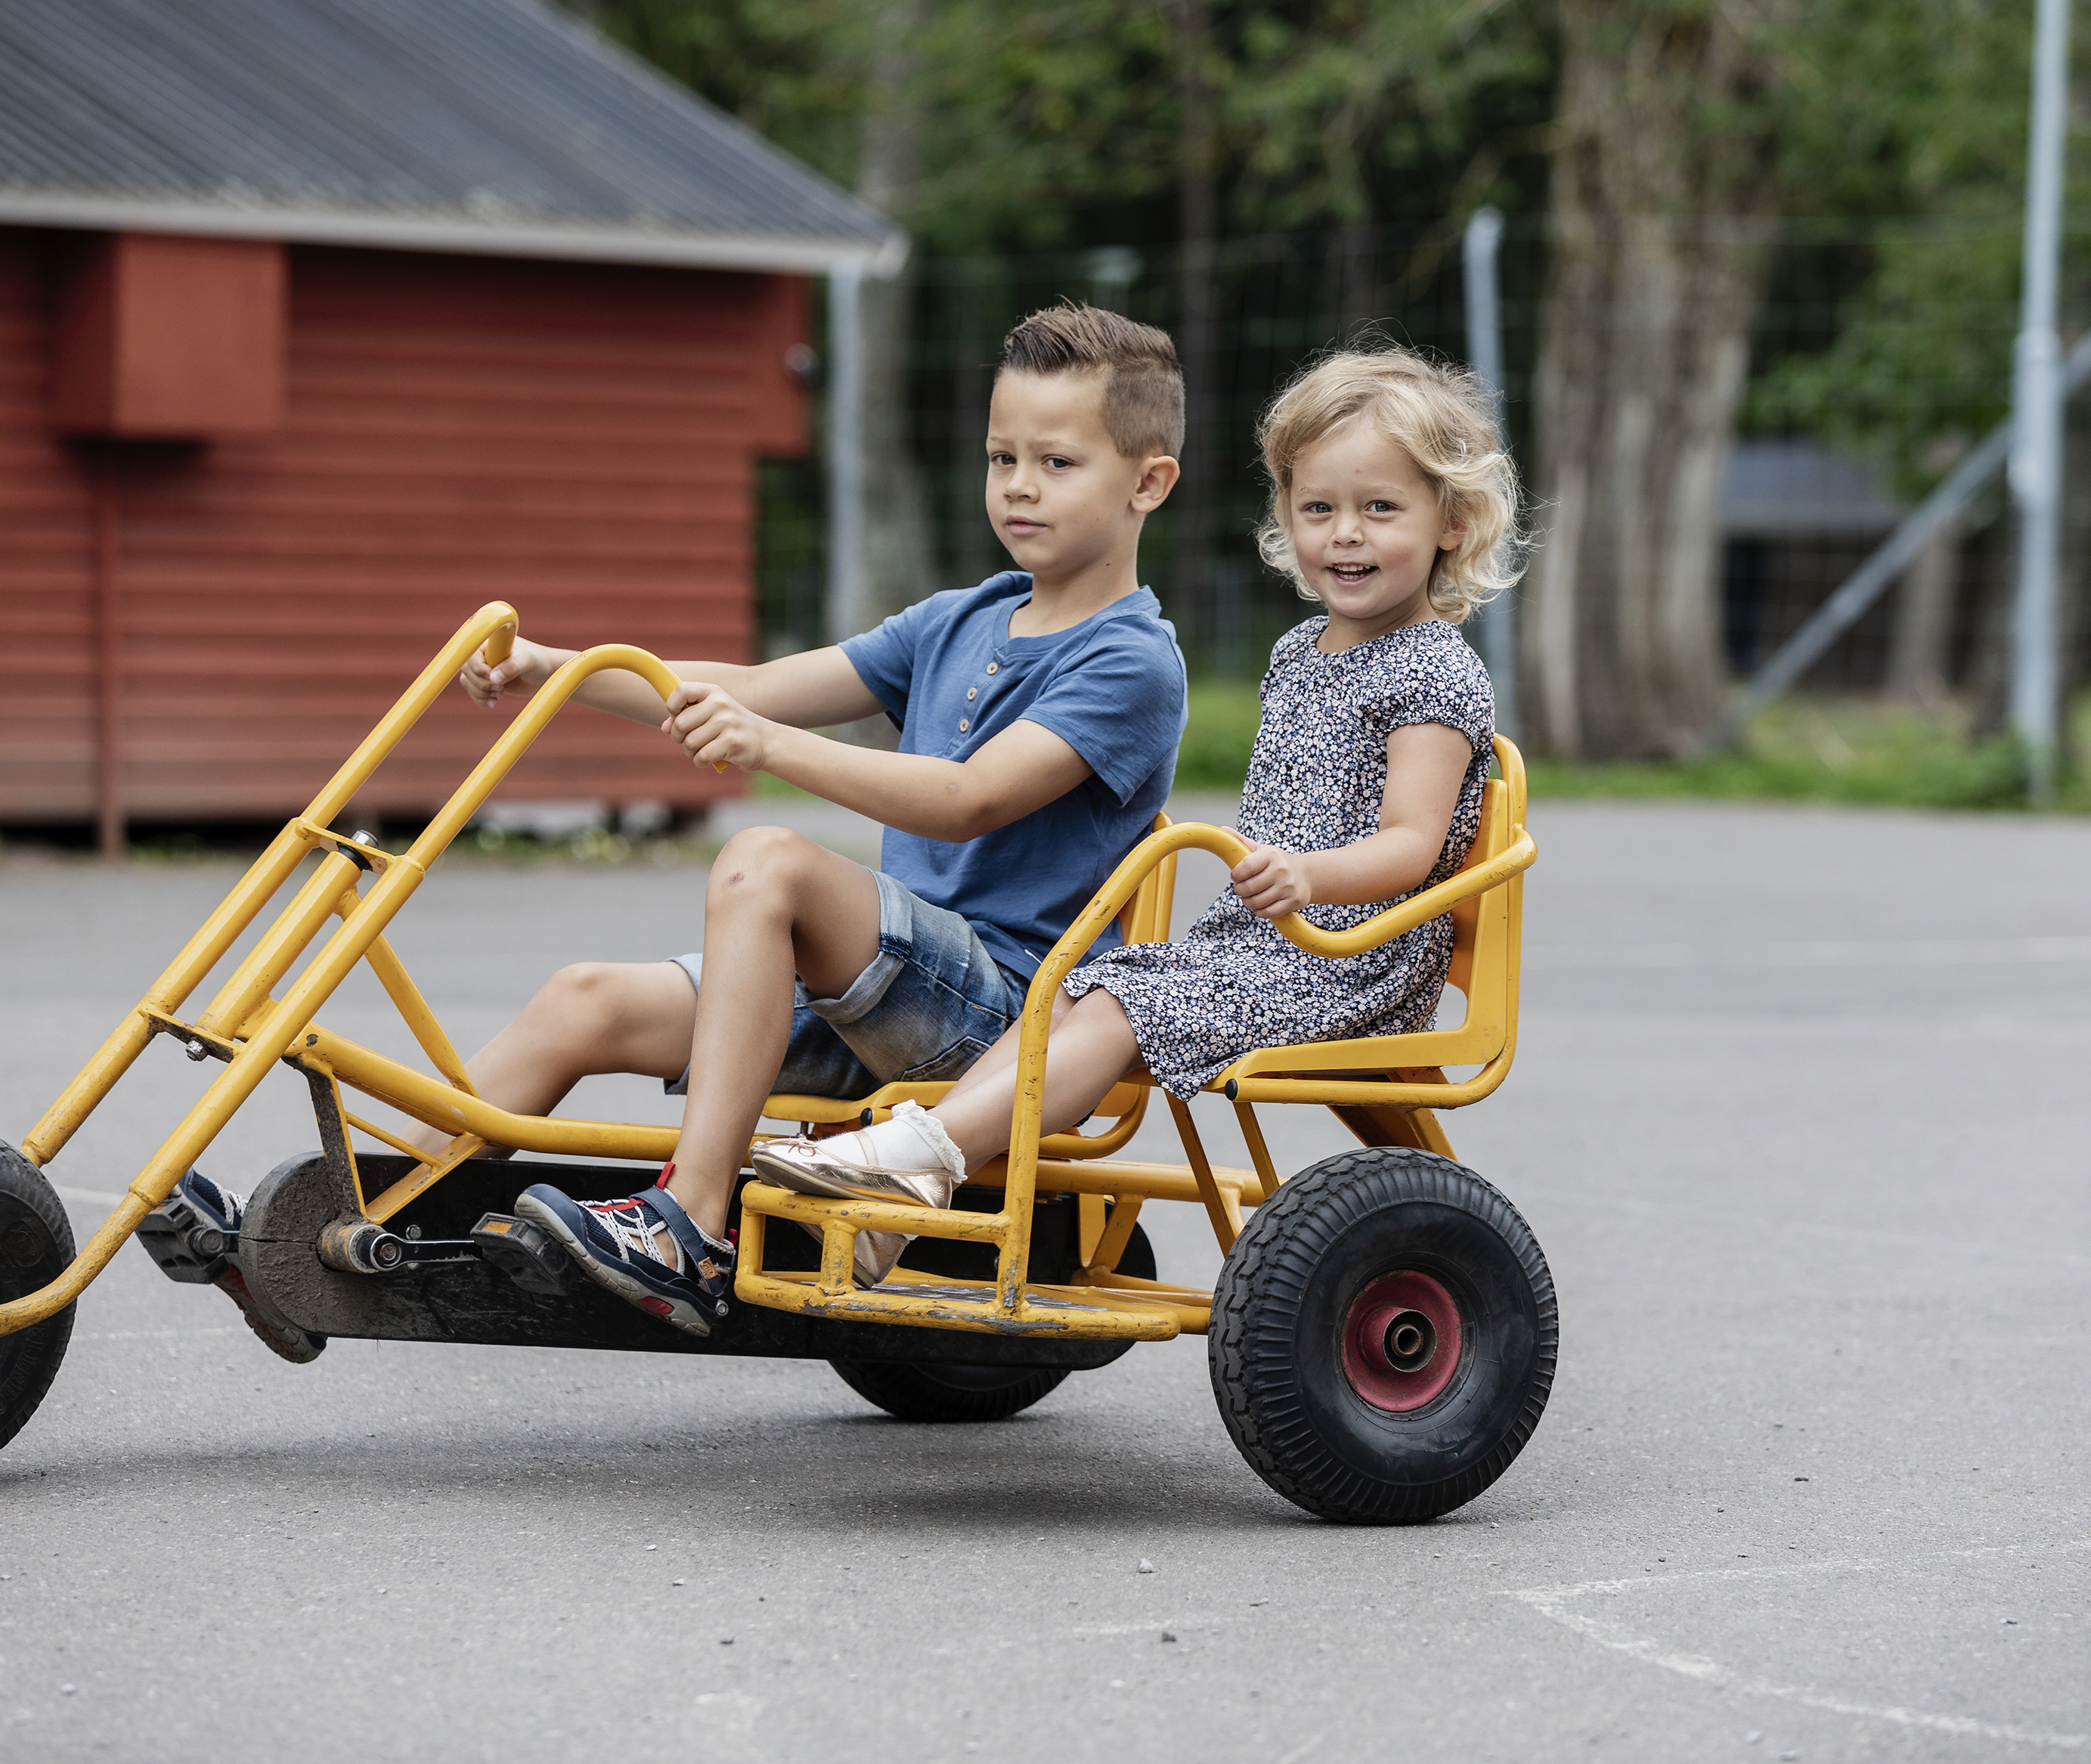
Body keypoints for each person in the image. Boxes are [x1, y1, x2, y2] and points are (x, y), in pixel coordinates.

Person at [414, 305, 1191, 1338]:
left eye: (1056, 461)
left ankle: (686, 1226)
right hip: (876, 995)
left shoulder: (1131, 661)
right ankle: (372, 1220)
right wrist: (558, 670)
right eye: (1001, 456)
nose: (1017, 485)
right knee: (581, 999)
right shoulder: (959, 616)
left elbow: (969, 802)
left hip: (1001, 1024)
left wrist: (767, 749)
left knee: (765, 864)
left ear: (1148, 482)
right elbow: (752, 683)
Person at [746, 344, 1518, 1238]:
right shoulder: (1299, 652)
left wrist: (1309, 878)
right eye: (1318, 508)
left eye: (1379, 509)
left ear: (1450, 521)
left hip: (1348, 958)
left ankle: (924, 1156)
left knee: (1122, 1001)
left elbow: (1411, 844)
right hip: (1263, 946)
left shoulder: (1430, 671)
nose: (1344, 533)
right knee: (1075, 987)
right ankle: (917, 1166)